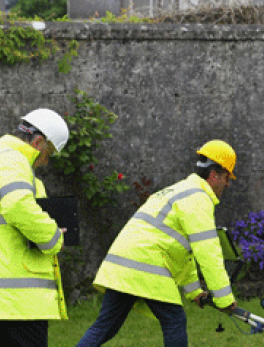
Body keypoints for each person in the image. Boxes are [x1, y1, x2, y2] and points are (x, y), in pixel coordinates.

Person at [76, 140, 238, 347]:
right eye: (226, 177)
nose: (227, 184)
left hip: (122, 265)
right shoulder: (198, 199)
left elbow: (182, 253)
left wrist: (195, 292)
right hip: (148, 265)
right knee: (174, 321)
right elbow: (208, 253)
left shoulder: (177, 190)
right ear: (214, 175)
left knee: (105, 326)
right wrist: (224, 299)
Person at [0, 108, 71, 347]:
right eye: (49, 153)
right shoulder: (13, 160)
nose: (46, 161)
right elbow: (17, 205)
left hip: (4, 290)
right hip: (18, 294)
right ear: (38, 142)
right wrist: (52, 237)